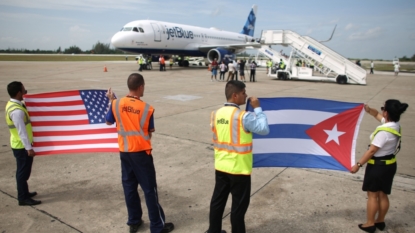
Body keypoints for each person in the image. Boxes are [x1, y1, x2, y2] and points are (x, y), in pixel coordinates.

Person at [105, 73, 174, 233]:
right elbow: (149, 133)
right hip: (141, 154)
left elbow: (109, 121)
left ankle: (134, 221)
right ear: (140, 87)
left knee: (129, 187)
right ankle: (157, 226)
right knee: (149, 189)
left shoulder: (116, 103)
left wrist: (111, 101)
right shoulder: (146, 108)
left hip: (125, 152)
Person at [207, 80, 270, 233]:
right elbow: (264, 129)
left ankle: (213, 231)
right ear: (235, 95)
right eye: (243, 93)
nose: (246, 95)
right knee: (238, 209)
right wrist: (258, 109)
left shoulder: (216, 114)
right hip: (239, 170)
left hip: (221, 167)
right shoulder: (243, 116)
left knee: (217, 202)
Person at [351, 100, 409, 233]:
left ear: (387, 112)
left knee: (372, 195)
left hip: (377, 167)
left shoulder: (383, 133)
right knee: (383, 195)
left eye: (383, 108)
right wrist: (369, 109)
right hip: (389, 165)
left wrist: (358, 165)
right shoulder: (394, 125)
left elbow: (371, 151)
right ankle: (380, 221)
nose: (381, 111)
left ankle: (370, 223)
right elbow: (377, 115)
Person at [5, 81, 41, 206]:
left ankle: (25, 192)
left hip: (19, 144)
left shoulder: (13, 104)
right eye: (24, 90)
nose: (25, 92)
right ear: (18, 93)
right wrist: (29, 148)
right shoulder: (16, 111)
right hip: (21, 146)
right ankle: (23, 198)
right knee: (22, 172)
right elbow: (22, 132)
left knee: (23, 171)